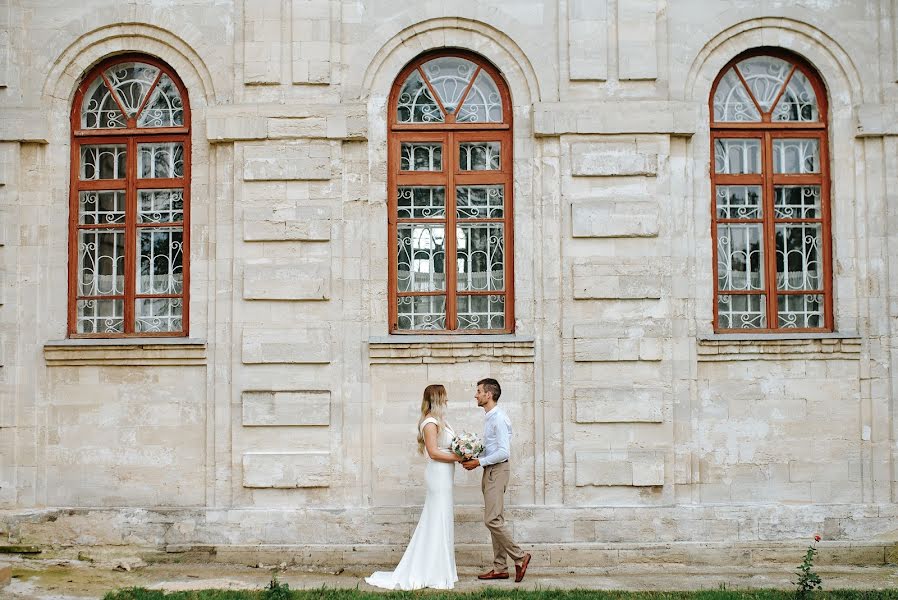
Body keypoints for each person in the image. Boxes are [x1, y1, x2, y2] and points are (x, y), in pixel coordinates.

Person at [366, 384, 463, 590]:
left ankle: (442, 569)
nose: (447, 400)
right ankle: (431, 570)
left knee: (443, 517)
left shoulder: (440, 421)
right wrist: (459, 457)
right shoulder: (429, 422)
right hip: (438, 474)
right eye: (444, 397)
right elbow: (434, 452)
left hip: (445, 474)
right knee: (436, 517)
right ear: (436, 399)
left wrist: (462, 451)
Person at [462, 377, 531, 582]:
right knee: (496, 520)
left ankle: (520, 556)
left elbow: (503, 452)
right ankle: (500, 567)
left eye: (479, 391)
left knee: (491, 520)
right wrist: (471, 453)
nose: (476, 395)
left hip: (497, 470)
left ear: (488, 395)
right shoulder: (490, 417)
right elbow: (493, 447)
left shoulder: (498, 418)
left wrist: (479, 462)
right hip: (491, 470)